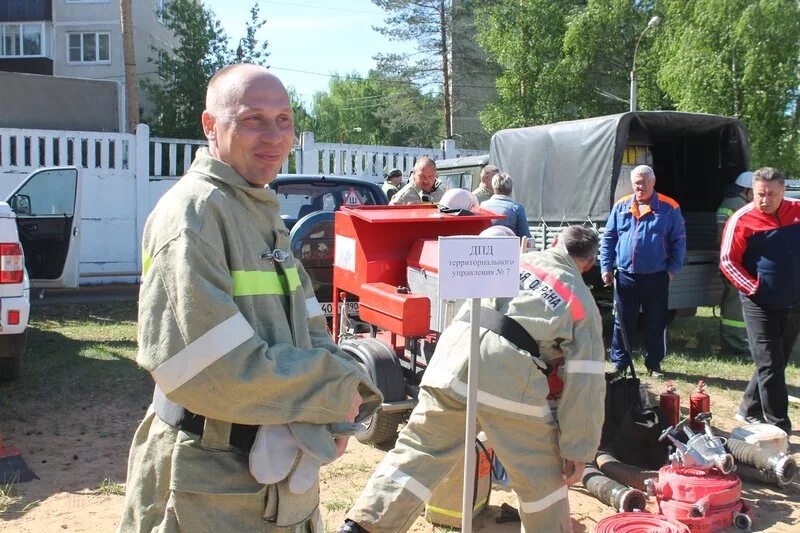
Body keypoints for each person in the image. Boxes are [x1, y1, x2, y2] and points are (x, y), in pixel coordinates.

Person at [117, 64, 380, 533]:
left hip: (272, 479)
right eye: (252, 119)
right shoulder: (194, 215)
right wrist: (331, 391)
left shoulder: (256, 207)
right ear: (210, 126)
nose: (273, 135)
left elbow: (309, 328)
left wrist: (341, 401)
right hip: (210, 487)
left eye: (284, 119)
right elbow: (209, 369)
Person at [339, 225, 606, 533]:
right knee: (542, 480)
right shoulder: (581, 301)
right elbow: (586, 382)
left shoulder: (516, 260)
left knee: (417, 453)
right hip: (507, 374)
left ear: (556, 242)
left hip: (451, 358)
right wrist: (577, 449)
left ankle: (359, 527)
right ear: (587, 263)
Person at [720, 167, 800, 432]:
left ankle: (748, 407)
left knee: (777, 360)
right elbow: (728, 261)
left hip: (794, 301)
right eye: (759, 194)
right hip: (759, 303)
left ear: (783, 191)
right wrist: (754, 288)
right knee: (770, 364)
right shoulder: (742, 219)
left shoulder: (796, 211)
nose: (765, 200)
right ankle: (779, 427)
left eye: (771, 194)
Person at [600, 165, 686, 377]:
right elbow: (609, 238)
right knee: (622, 322)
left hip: (656, 276)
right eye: (637, 182)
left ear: (653, 181)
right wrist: (606, 267)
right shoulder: (621, 206)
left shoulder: (669, 207)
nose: (641, 186)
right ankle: (620, 363)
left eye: (645, 181)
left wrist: (671, 270)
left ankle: (654, 364)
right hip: (625, 275)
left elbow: (679, 240)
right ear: (632, 184)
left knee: (656, 320)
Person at [716, 171, 754, 355]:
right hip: (735, 262)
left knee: (732, 304)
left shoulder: (731, 203)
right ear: (747, 190)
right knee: (734, 307)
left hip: (730, 261)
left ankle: (733, 342)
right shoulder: (740, 207)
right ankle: (735, 345)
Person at [480, 172, 532, 238]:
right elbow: (525, 236)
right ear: (510, 190)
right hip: (510, 247)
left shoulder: (482, 206)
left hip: (485, 246)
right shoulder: (517, 208)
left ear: (494, 188)